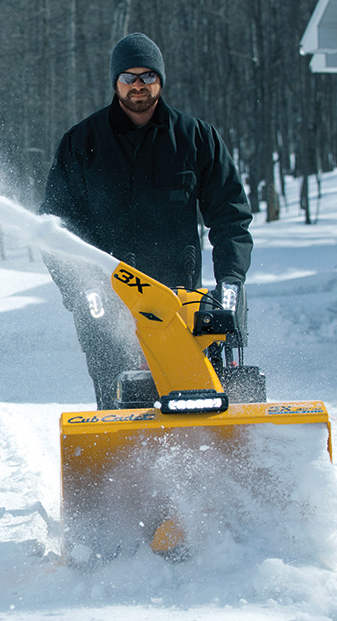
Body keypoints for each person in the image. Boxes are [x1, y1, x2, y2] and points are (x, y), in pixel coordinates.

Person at [40, 33, 254, 410]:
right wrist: (80, 289)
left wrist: (231, 282)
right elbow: (56, 229)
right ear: (115, 82)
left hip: (181, 299)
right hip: (109, 302)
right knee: (121, 402)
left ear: (161, 79)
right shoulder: (82, 142)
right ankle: (127, 468)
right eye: (129, 77)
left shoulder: (196, 138)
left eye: (148, 75)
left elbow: (230, 217)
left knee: (196, 396)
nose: (138, 85)